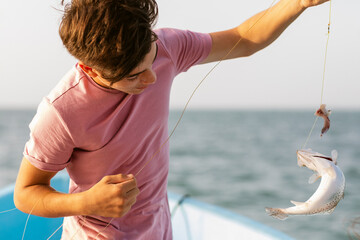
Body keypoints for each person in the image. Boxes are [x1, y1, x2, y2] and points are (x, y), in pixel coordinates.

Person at [14, 0, 330, 239]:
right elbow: (26, 193)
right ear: (90, 70)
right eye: (134, 75)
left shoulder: (166, 46)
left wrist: (299, 2)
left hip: (160, 230)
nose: (153, 78)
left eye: (152, 60)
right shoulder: (60, 112)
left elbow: (245, 38)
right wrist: (86, 203)